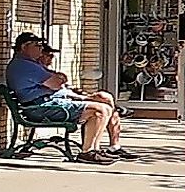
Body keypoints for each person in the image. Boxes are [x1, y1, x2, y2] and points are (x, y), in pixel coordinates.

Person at [7, 33, 128, 163]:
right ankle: (87, 152)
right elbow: (57, 83)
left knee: (105, 103)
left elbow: (58, 81)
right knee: (99, 110)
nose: (41, 50)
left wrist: (55, 82)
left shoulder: (31, 64)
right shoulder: (25, 65)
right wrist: (54, 82)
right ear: (24, 46)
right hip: (40, 107)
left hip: (48, 103)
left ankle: (99, 149)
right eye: (37, 45)